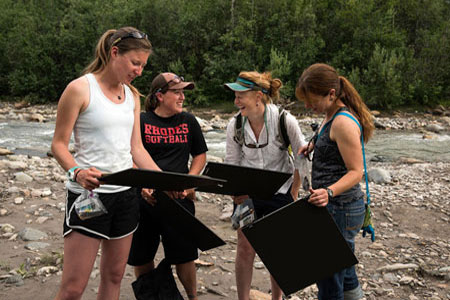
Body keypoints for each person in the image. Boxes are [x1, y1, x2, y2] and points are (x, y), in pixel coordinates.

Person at [51, 27, 160, 300]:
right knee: (74, 287)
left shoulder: (132, 96)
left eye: (143, 65)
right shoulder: (79, 89)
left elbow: (136, 148)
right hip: (89, 197)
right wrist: (76, 172)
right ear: (114, 53)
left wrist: (164, 180)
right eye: (135, 63)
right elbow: (58, 145)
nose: (139, 71)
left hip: (125, 197)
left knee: (113, 277)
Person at [224, 71, 306, 300]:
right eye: (235, 96)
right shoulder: (235, 125)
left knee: (278, 252)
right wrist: (235, 192)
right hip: (247, 194)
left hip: (281, 192)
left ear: (258, 96)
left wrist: (295, 190)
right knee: (244, 249)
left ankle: (276, 299)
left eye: (240, 96)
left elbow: (302, 155)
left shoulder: (284, 119)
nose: (236, 101)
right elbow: (232, 162)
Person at [296, 63, 374, 300]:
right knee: (345, 271)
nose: (309, 106)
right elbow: (332, 146)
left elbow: (356, 171)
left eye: (312, 101)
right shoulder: (330, 115)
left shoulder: (343, 122)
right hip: (336, 207)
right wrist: (312, 146)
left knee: (329, 281)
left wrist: (328, 192)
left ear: (331, 94)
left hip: (340, 209)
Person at [127, 72, 208, 300]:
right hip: (146, 199)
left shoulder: (188, 121)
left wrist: (191, 181)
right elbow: (131, 155)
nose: (182, 97)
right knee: (142, 257)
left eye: (183, 92)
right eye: (177, 92)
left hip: (179, 200)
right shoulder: (141, 121)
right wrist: (143, 184)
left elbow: (200, 155)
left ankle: (192, 297)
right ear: (160, 95)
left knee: (184, 256)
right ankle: (150, 296)